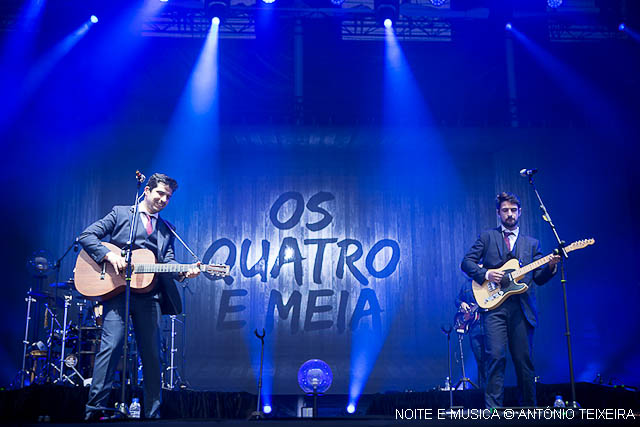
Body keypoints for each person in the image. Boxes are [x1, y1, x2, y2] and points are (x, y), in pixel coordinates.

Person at [79, 173, 200, 420]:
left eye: (168, 196)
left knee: (153, 354)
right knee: (110, 348)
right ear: (147, 190)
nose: (164, 199)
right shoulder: (121, 214)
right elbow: (86, 236)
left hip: (150, 296)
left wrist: (184, 272)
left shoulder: (168, 229)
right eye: (160, 193)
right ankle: (94, 411)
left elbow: (167, 262)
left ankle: (152, 413)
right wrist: (108, 255)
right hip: (117, 292)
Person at [461, 192, 560, 408]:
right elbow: (466, 262)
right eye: (505, 210)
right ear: (498, 213)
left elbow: (540, 278)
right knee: (495, 357)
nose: (510, 214)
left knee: (523, 361)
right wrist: (486, 274)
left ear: (520, 212)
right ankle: (493, 410)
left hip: (522, 309)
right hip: (494, 307)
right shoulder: (487, 237)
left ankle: (528, 409)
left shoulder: (532, 244)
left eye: (513, 210)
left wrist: (551, 266)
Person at [454, 280, 486, 390]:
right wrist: (461, 304)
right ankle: (482, 392)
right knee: (480, 360)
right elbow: (457, 299)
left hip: (489, 325)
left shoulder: (488, 281)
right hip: (474, 328)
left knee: (492, 359)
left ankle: (492, 393)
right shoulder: (466, 285)